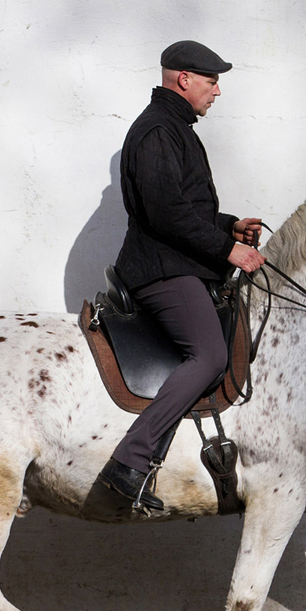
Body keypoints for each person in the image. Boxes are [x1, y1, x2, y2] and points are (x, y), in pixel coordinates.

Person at [94, 40, 266, 511]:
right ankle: (130, 462)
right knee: (209, 355)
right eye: (212, 81)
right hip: (161, 270)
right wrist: (229, 249)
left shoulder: (174, 127)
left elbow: (184, 207)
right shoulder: (156, 131)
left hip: (176, 261)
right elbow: (166, 214)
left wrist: (226, 225)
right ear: (184, 79)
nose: (216, 91)